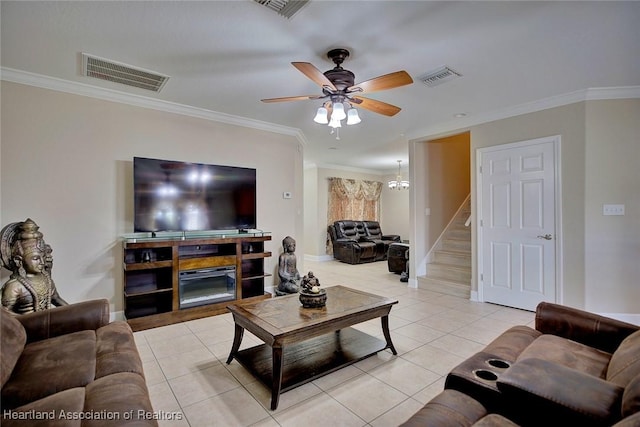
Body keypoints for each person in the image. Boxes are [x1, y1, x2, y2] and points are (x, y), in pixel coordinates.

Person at [0, 219, 67, 314]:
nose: (42, 262)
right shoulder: (14, 286)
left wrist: (76, 313)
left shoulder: (47, 280)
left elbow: (57, 300)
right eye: (36, 258)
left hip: (49, 325)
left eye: (43, 257)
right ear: (18, 260)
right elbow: (4, 314)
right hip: (24, 326)